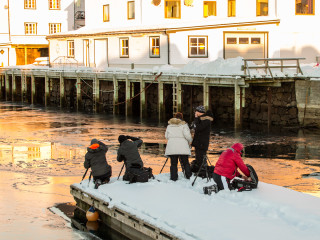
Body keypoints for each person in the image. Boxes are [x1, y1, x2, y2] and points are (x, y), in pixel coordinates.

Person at [165, 112, 192, 181]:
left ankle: (174, 177)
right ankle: (188, 176)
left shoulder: (169, 125)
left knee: (173, 163)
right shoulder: (184, 125)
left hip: (172, 146)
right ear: (181, 118)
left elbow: (166, 136)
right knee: (185, 162)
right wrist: (190, 141)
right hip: (182, 146)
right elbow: (188, 136)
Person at [190, 105, 214, 173]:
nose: (195, 113)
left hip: (202, 143)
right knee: (198, 157)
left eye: (196, 112)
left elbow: (198, 128)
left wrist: (196, 119)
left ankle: (202, 171)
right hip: (199, 142)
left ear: (200, 112)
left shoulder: (206, 120)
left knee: (201, 158)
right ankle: (200, 170)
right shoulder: (202, 119)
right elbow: (194, 127)